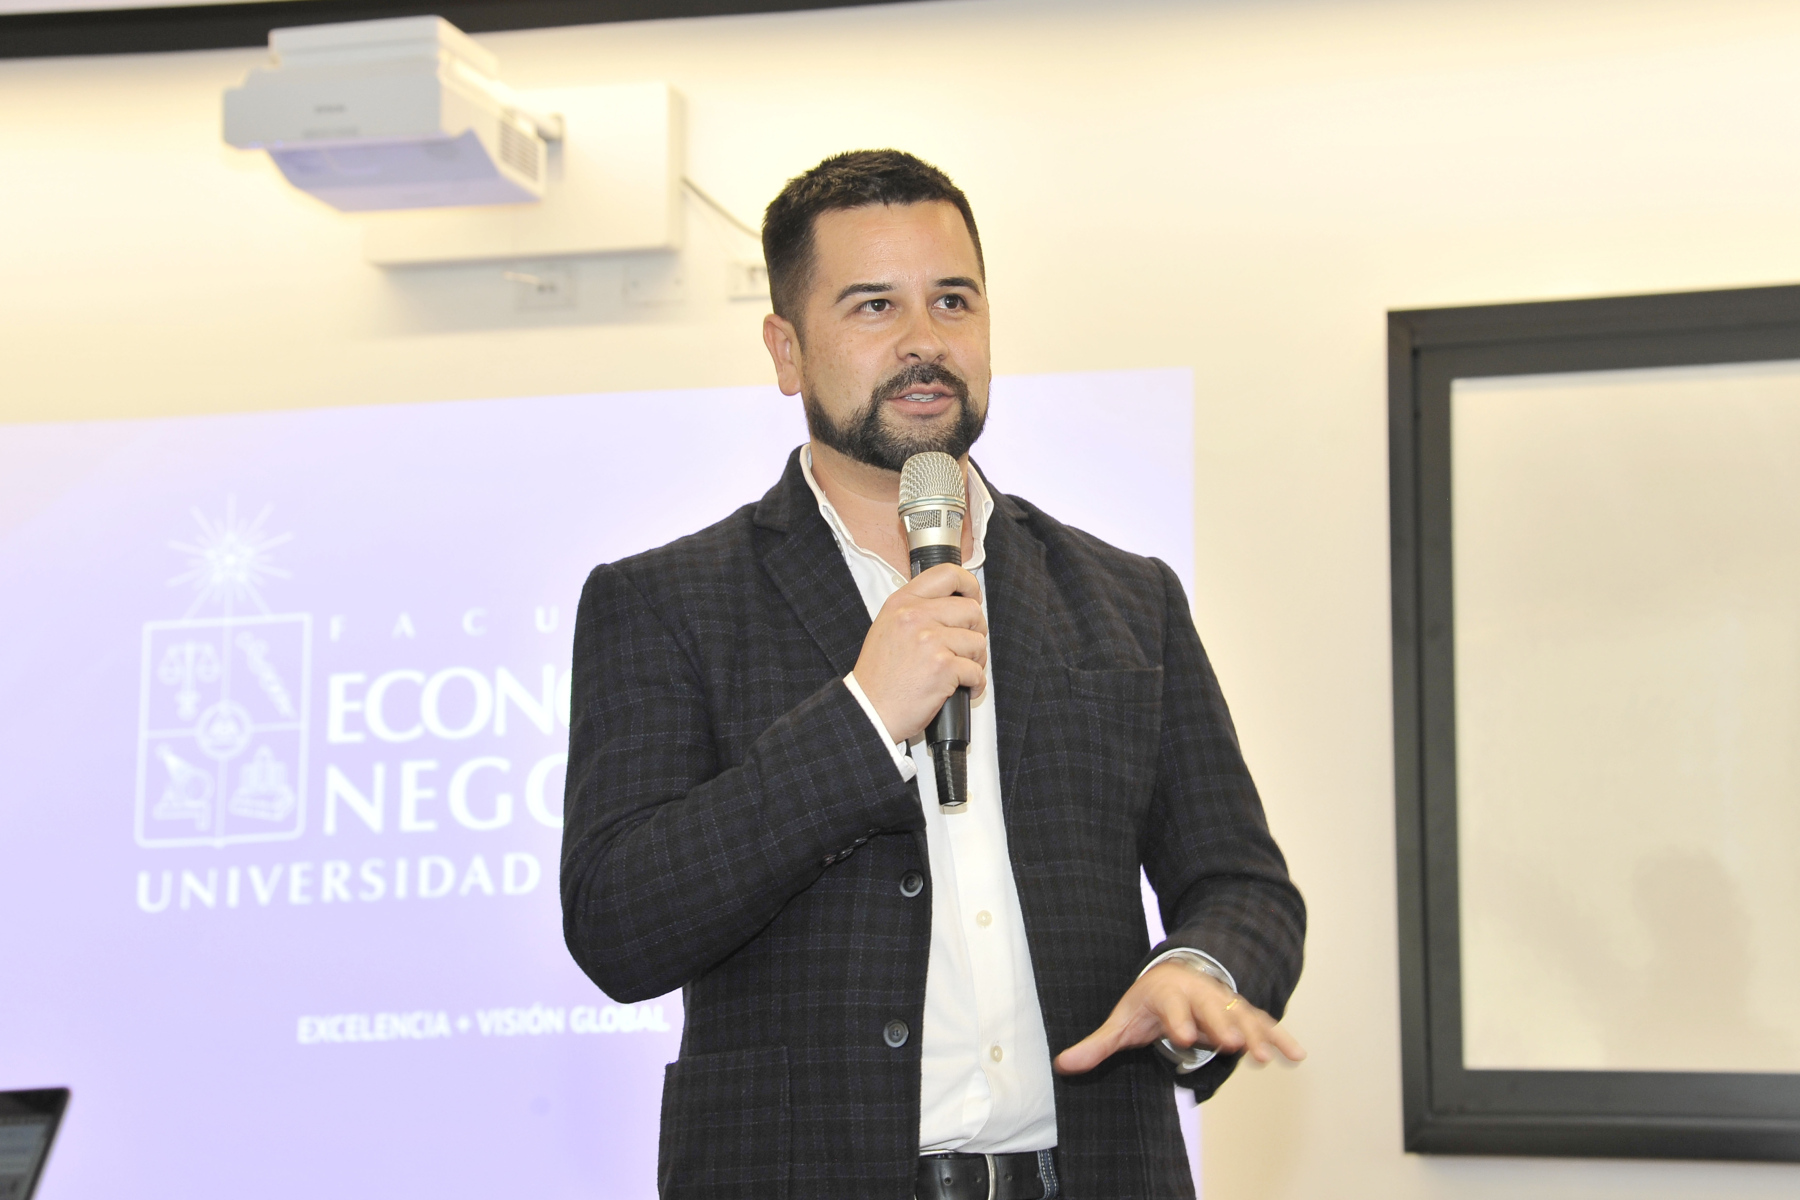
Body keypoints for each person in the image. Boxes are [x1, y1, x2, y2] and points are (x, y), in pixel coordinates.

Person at [561, 150, 1305, 1200]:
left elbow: (1241, 883)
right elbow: (618, 925)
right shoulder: (664, 601)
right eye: (874, 305)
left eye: (952, 300)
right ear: (786, 349)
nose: (924, 340)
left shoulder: (1127, 596)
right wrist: (864, 719)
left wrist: (1198, 968)